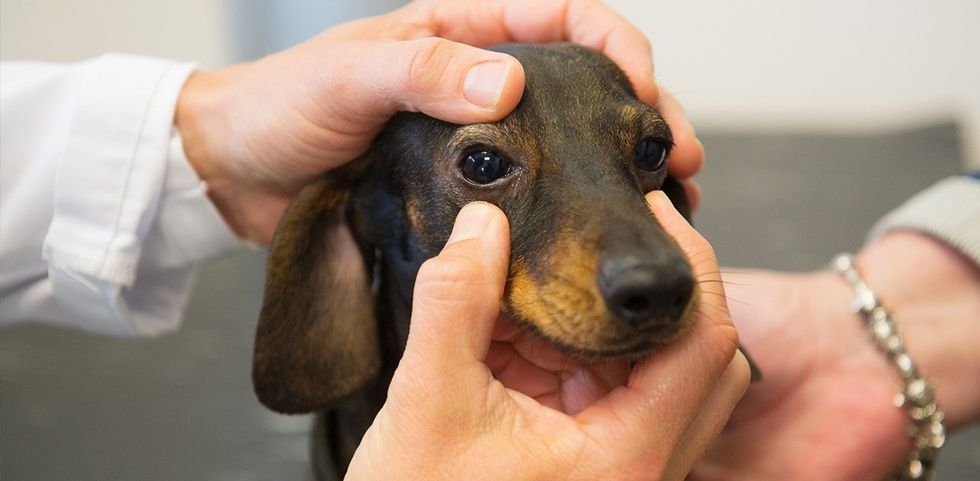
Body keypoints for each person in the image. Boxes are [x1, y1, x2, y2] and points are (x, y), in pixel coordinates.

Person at [2, 1, 978, 481]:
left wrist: (868, 333)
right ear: (365, 224)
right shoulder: (350, 214)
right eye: (481, 163)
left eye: (639, 160)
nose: (646, 265)